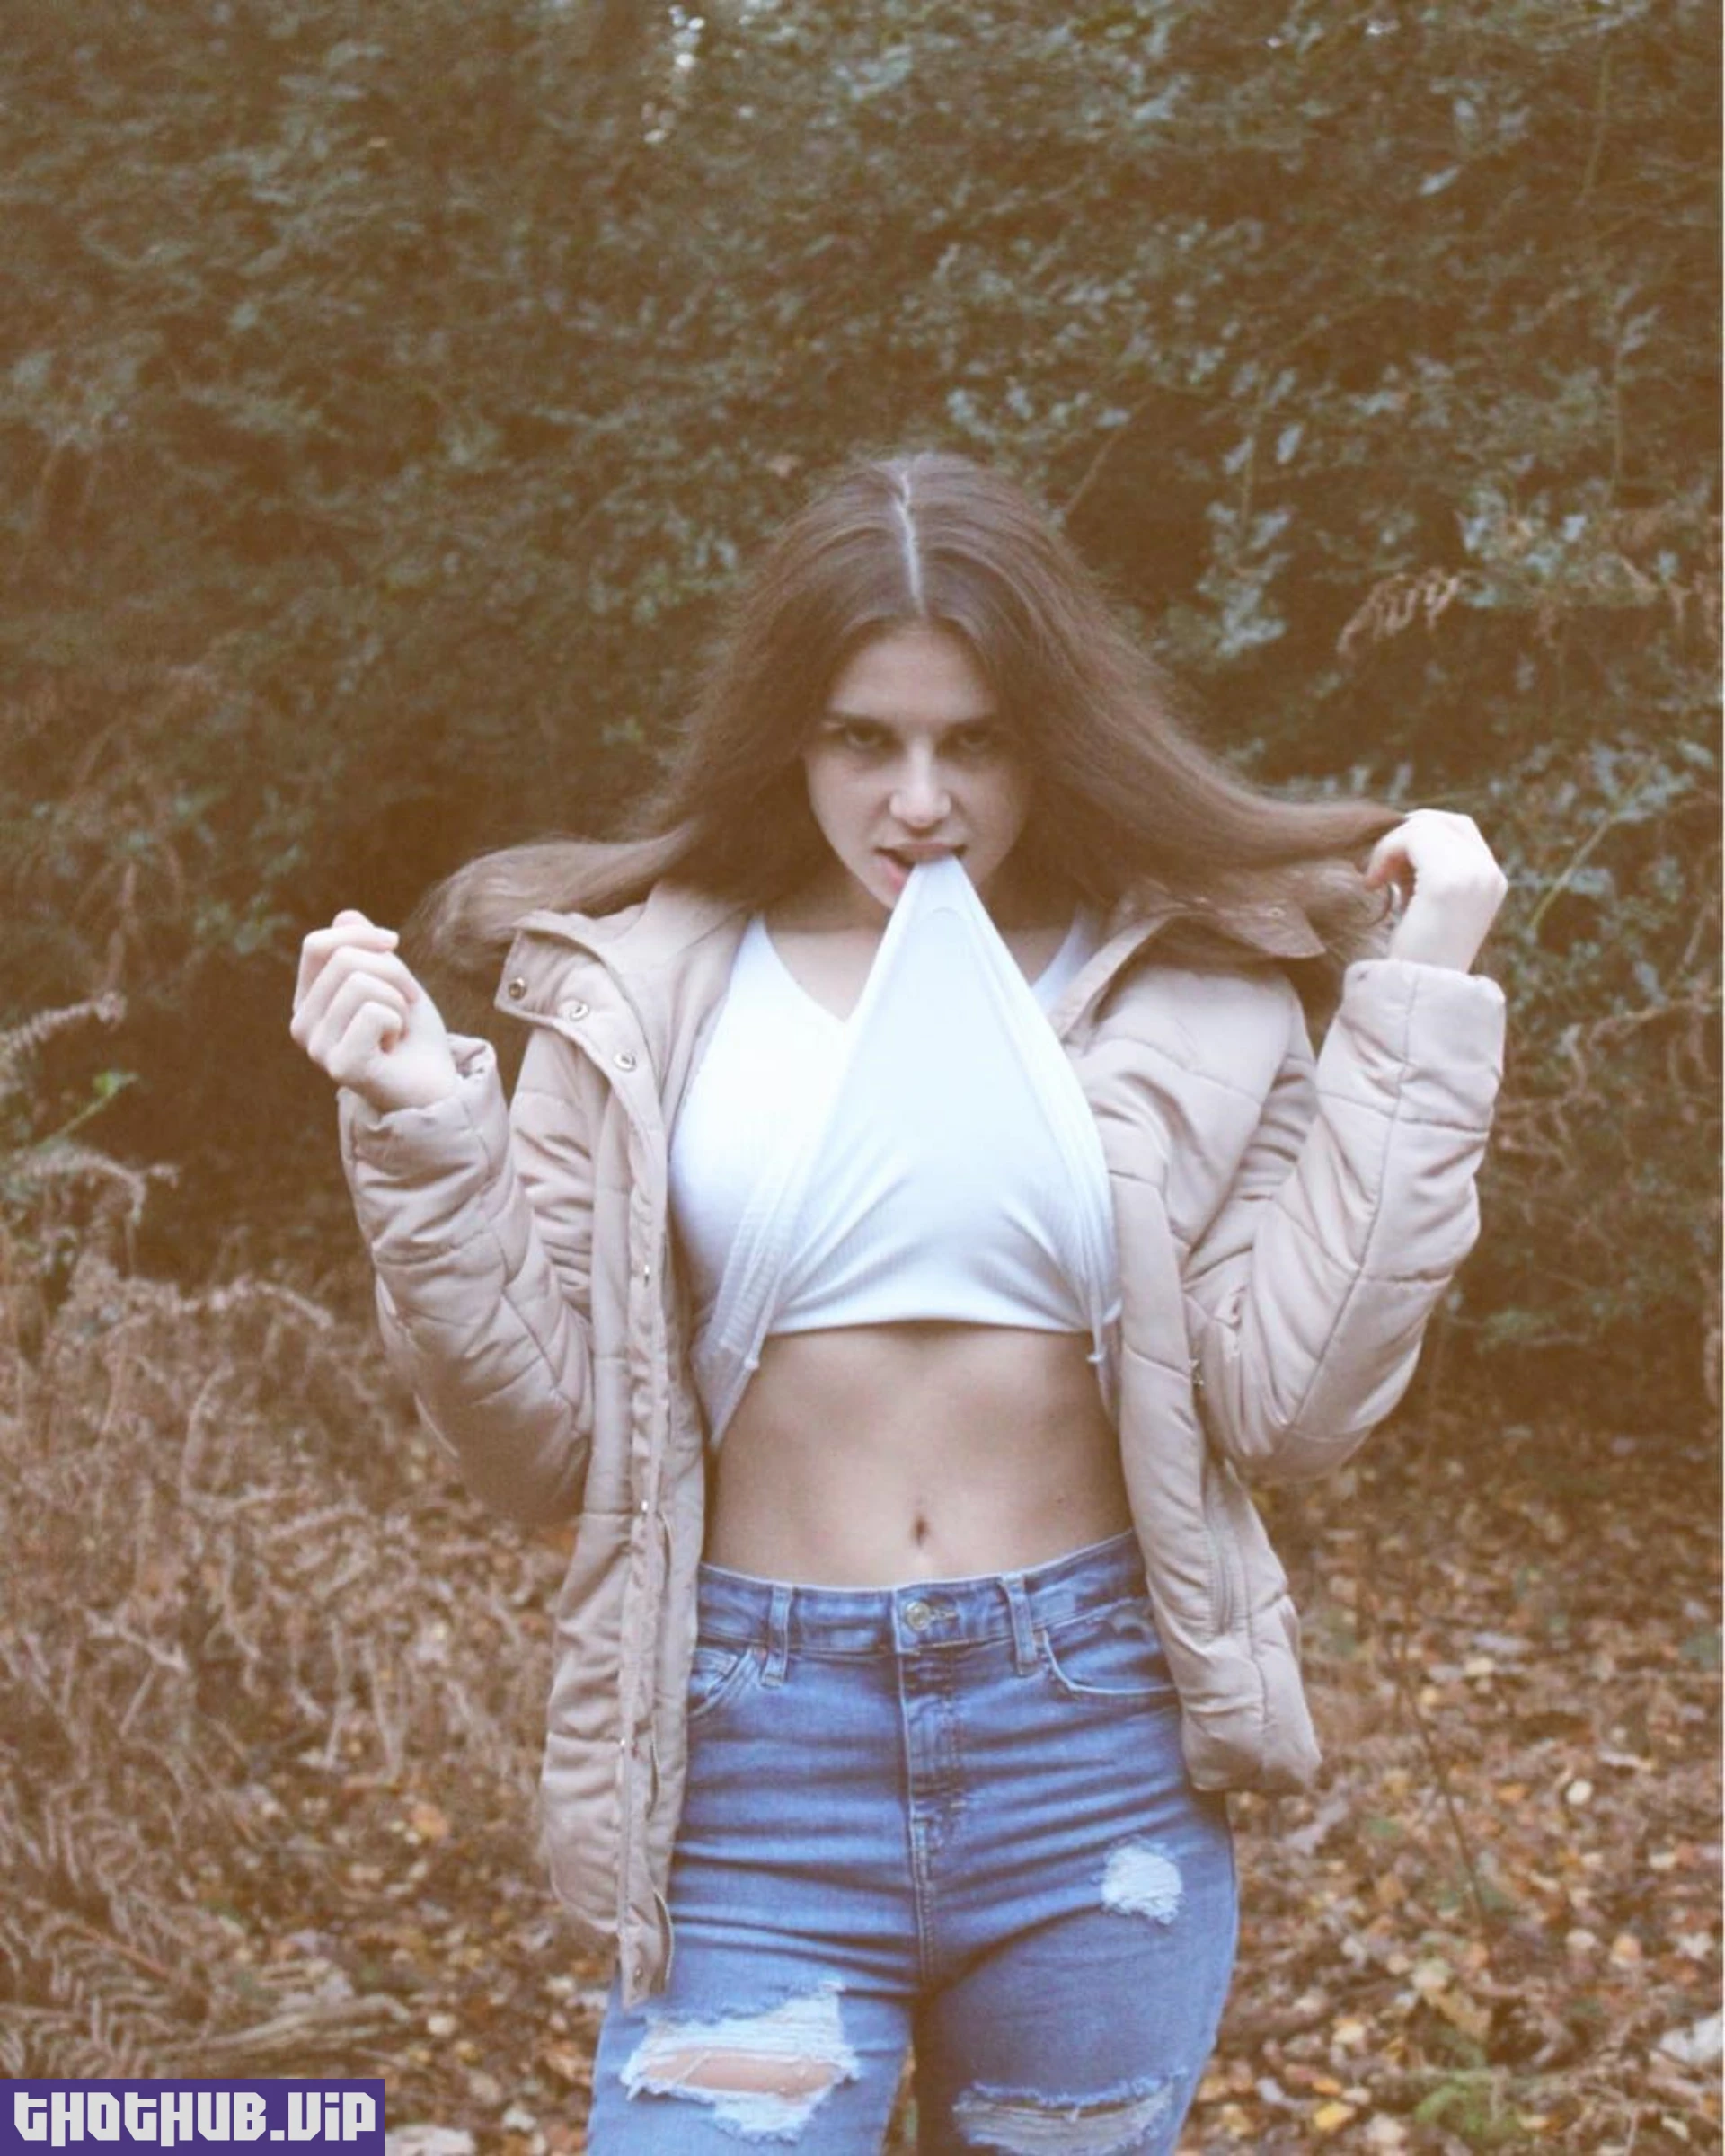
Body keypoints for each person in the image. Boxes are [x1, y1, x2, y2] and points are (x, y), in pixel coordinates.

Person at [291, 450, 1507, 2152]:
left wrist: (1418, 1009)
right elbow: (546, 1448)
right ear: (789, 736)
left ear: (1052, 735)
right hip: (752, 1769)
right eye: (864, 739)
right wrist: (426, 1129)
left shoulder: (1198, 988)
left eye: (974, 742)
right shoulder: (632, 991)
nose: (919, 802)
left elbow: (1290, 1411)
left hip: (1090, 1755)